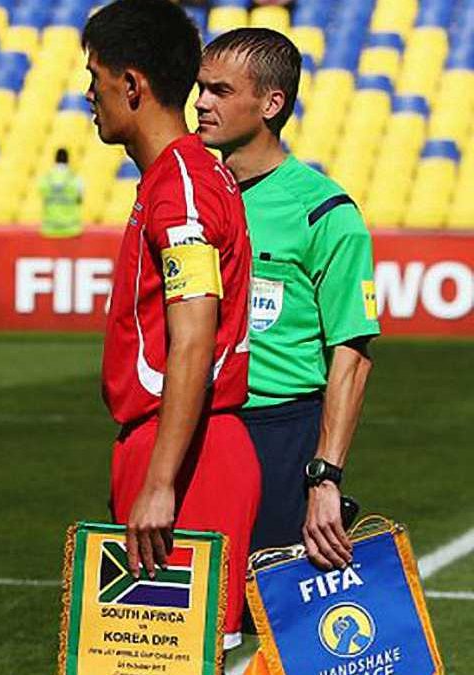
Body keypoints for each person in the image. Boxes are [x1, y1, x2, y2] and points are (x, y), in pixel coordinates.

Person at [82, 0, 260, 651]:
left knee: (165, 661)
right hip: (179, 447)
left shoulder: (180, 186)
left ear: (131, 85)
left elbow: (193, 337)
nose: (89, 94)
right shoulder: (184, 175)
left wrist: (160, 483)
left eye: (95, 77)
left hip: (188, 458)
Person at [197, 27, 379, 568]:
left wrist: (325, 477)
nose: (201, 102)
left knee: (267, 607)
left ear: (271, 104)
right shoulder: (190, 197)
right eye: (201, 87)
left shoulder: (325, 212)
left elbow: (352, 353)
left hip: (278, 435)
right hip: (195, 425)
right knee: (188, 608)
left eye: (220, 91)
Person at [38, 148, 84, 237]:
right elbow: (80, 200)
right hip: (71, 230)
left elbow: (43, 197)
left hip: (50, 230)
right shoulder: (76, 179)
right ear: (68, 160)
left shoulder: (45, 179)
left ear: (55, 160)